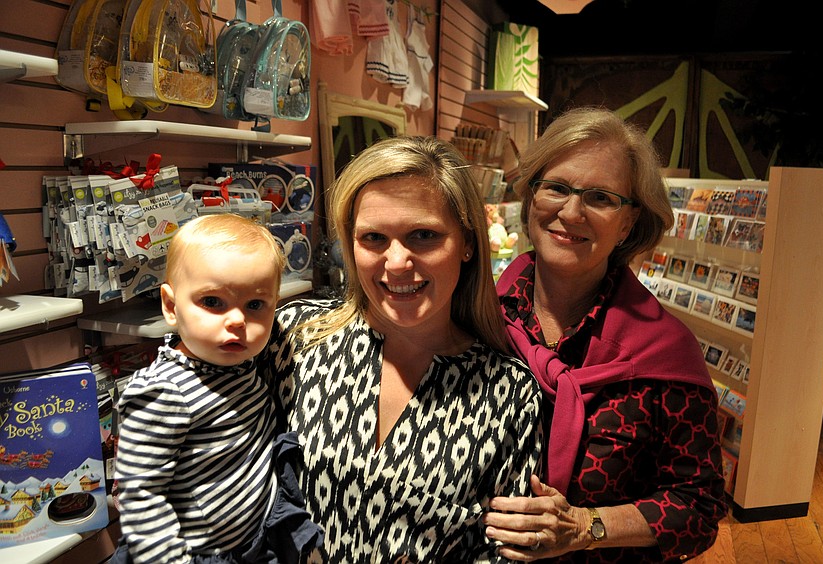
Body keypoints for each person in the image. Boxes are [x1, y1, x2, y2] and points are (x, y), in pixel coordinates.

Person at [257, 135, 544, 561]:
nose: (396, 262)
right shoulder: (294, 338)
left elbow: (506, 553)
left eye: (423, 235)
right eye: (373, 238)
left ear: (467, 243)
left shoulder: (506, 392)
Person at [481, 107, 728, 562]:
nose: (570, 212)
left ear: (629, 223)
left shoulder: (665, 355)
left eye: (600, 198)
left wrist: (586, 526)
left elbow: (700, 506)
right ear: (531, 197)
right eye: (555, 187)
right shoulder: (479, 320)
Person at [113, 214, 323, 563]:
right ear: (170, 306)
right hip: (201, 554)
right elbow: (140, 495)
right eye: (212, 302)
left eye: (255, 305)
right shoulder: (163, 391)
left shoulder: (241, 363)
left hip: (258, 540)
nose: (238, 321)